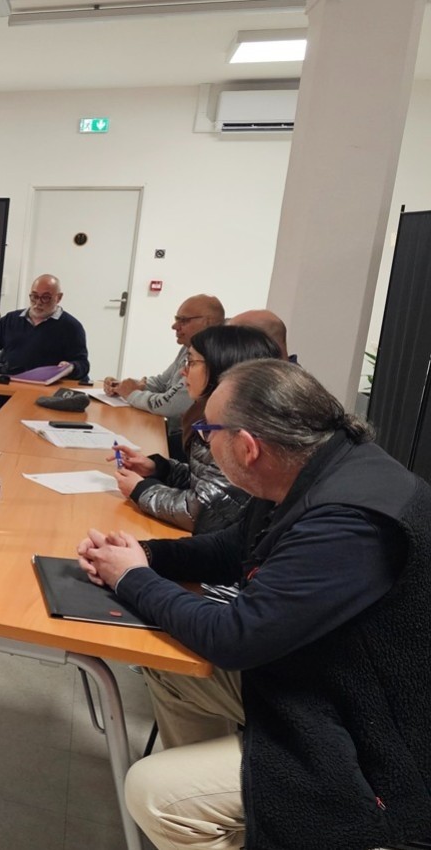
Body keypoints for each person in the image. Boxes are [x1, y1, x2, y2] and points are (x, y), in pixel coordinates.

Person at [76, 359, 431, 850]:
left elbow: (235, 639)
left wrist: (133, 577)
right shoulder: (313, 465)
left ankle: (208, 811)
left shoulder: (351, 523)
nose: (200, 440)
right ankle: (231, 805)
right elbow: (230, 549)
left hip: (376, 738)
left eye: (206, 430)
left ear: (247, 446)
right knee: (170, 664)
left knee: (155, 795)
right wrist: (147, 557)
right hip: (321, 675)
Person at [111, 325, 280, 534]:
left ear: (222, 367)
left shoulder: (236, 430)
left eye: (192, 362)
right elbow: (207, 482)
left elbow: (204, 512)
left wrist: (141, 490)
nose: (183, 372)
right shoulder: (211, 414)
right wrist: (158, 468)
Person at [0, 273, 90, 444]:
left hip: (43, 394)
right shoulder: (12, 319)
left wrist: (70, 367)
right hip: (8, 386)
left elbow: (82, 364)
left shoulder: (71, 327)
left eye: (46, 298)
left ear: (59, 298)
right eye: (34, 296)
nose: (38, 302)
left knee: (3, 418)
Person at [104, 294, 224, 458]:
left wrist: (131, 394)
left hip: (186, 444)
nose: (174, 326)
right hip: (177, 437)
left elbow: (170, 406)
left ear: (208, 322)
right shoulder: (188, 348)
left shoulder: (210, 358)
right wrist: (126, 386)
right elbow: (162, 382)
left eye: (183, 320)